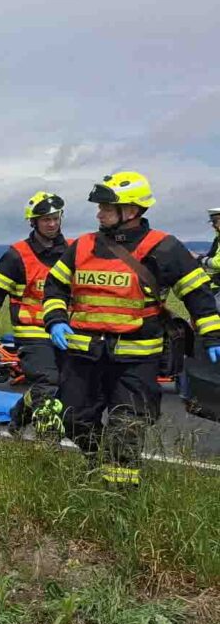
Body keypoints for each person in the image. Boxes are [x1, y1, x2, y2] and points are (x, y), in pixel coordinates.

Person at [42, 172, 220, 487]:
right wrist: (56, 319)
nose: (99, 214)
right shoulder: (82, 246)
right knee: (74, 421)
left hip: (136, 360)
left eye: (106, 208)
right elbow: (55, 286)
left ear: (131, 210)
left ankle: (119, 496)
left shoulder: (164, 248)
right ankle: (98, 465)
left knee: (125, 429)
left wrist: (212, 336)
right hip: (83, 356)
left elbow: (199, 295)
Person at [0, 192, 71, 434]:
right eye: (45, 219)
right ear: (34, 222)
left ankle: (20, 412)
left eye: (55, 218)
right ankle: (47, 438)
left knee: (67, 385)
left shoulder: (72, 251)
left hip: (65, 330)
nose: (52, 223)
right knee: (48, 380)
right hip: (32, 331)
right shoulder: (16, 255)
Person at [202, 206, 220, 292]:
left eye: (214, 221)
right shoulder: (217, 239)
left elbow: (218, 263)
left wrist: (200, 259)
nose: (213, 225)